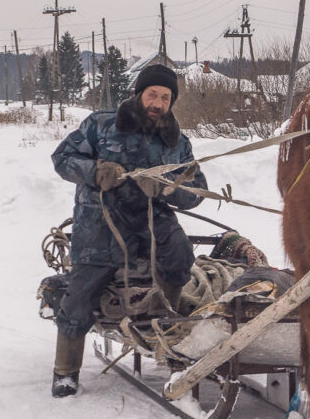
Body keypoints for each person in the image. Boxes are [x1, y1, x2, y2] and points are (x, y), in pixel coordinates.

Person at [49, 64, 207, 397]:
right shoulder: (101, 124)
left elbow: (197, 190)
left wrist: (166, 187)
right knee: (81, 291)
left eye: (166, 97)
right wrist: (95, 171)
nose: (158, 103)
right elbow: (61, 157)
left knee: (179, 254)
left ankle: (166, 321)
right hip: (100, 221)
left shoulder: (178, 142)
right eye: (153, 94)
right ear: (139, 93)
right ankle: (65, 370)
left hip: (151, 220)